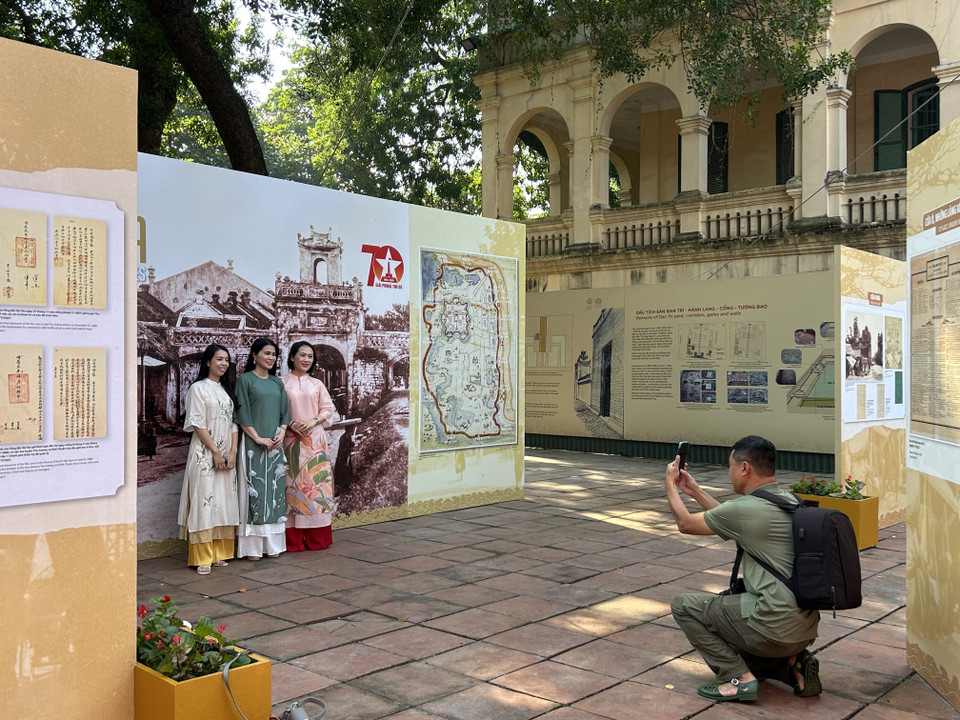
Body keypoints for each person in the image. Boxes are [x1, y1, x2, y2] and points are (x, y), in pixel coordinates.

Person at [665, 435, 821, 702]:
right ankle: (794, 664)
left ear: (744, 468)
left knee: (685, 606)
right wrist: (694, 491)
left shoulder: (748, 508)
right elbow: (732, 520)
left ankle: (738, 679)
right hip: (804, 628)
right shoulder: (788, 500)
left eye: (730, 467)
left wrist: (669, 483)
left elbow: (685, 524)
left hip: (772, 625)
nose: (729, 473)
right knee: (732, 610)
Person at [177, 344, 240, 574]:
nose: (223, 363)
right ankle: (203, 556)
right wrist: (214, 451)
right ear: (207, 362)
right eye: (219, 359)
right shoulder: (198, 388)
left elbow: (234, 422)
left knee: (223, 500)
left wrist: (232, 452)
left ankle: (219, 553)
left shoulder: (226, 390)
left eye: (226, 360)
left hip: (226, 455)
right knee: (205, 500)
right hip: (204, 454)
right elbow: (197, 423)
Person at [234, 337, 289, 560]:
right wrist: (257, 438)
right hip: (251, 445)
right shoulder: (245, 381)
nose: (270, 358)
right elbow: (242, 413)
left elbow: (285, 412)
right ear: (254, 355)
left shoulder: (277, 383)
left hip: (275, 444)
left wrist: (281, 433)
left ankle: (272, 546)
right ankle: (253, 548)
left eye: (274, 354)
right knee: (253, 491)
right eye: (266, 353)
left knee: (274, 492)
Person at [282, 340, 338, 552]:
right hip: (290, 441)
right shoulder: (281, 383)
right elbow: (277, 411)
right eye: (302, 355)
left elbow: (328, 409)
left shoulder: (317, 384)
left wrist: (312, 421)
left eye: (310, 356)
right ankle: (292, 540)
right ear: (292, 357)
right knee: (292, 485)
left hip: (314, 441)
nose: (306, 359)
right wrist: (290, 423)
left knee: (316, 486)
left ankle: (317, 537)